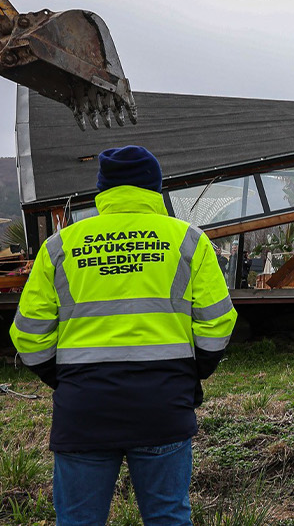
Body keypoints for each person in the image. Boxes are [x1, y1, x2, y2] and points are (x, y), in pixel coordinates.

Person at [8, 145, 237, 524]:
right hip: (164, 404)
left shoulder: (60, 246)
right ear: (154, 189)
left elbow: (28, 334)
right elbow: (218, 323)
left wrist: (64, 379)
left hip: (84, 409)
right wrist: (192, 374)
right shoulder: (188, 241)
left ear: (103, 190)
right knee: (168, 516)